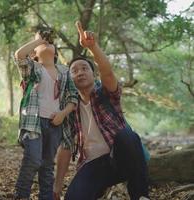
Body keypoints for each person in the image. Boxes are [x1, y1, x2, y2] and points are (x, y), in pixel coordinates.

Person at [53, 21, 149, 200]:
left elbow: (108, 73)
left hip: (119, 158)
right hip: (93, 165)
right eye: (74, 71)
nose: (80, 72)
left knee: (128, 136)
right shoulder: (69, 108)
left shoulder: (106, 94)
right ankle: (97, 189)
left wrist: (93, 47)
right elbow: (65, 148)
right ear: (70, 78)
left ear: (93, 74)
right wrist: (57, 187)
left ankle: (141, 195)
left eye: (84, 68)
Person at [13, 28, 78, 200]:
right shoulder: (33, 68)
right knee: (33, 160)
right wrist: (39, 40)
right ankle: (21, 195)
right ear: (34, 53)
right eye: (41, 43)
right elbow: (19, 55)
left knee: (47, 166)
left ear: (55, 52)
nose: (46, 43)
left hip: (54, 124)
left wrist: (63, 114)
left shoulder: (64, 71)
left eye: (50, 43)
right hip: (33, 123)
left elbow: (73, 97)